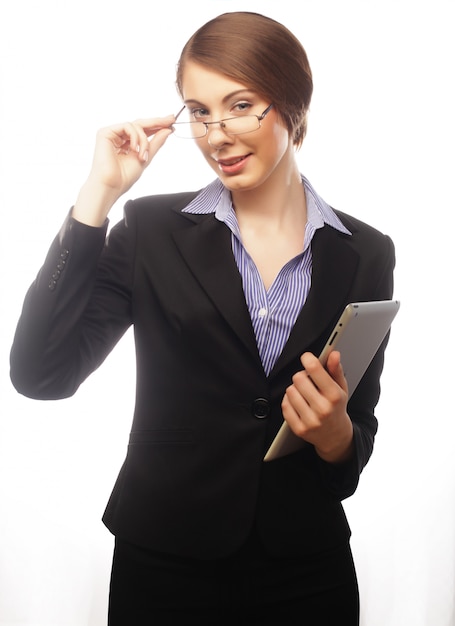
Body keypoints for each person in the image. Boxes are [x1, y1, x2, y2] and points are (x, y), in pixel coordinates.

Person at [10, 11, 395, 626]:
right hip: (166, 562)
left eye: (240, 105)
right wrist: (99, 196)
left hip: (307, 569)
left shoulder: (367, 251)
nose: (216, 133)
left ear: (293, 104)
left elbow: (357, 436)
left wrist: (336, 437)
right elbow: (41, 374)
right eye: (198, 110)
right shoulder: (149, 232)